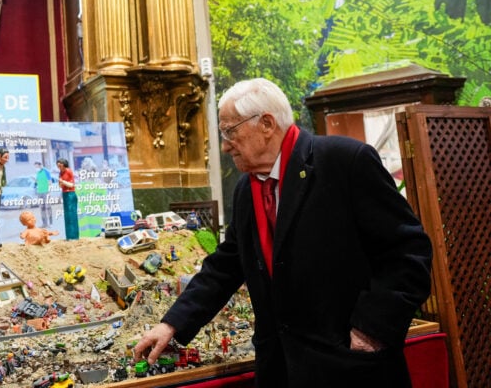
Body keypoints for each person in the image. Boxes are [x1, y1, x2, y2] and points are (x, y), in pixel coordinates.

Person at [133, 78, 433, 388]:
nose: (224, 145)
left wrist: (371, 331)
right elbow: (225, 266)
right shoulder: (246, 191)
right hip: (281, 371)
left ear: (266, 124)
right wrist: (171, 324)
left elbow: (408, 252)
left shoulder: (344, 162)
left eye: (230, 132)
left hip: (348, 368)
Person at [57, 158, 79, 240]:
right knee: (67, 216)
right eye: (58, 165)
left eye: (60, 164)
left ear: (64, 164)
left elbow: (72, 185)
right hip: (65, 194)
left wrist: (63, 182)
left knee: (72, 215)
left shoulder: (69, 171)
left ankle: (74, 236)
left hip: (70, 194)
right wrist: (60, 182)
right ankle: (69, 236)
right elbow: (60, 186)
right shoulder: (60, 173)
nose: (59, 166)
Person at [34, 161, 54, 227]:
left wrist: (48, 189)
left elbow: (50, 182)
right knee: (42, 208)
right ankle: (44, 223)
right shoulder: (37, 173)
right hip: (39, 192)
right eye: (35, 167)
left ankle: (50, 223)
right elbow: (37, 181)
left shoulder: (46, 171)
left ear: (40, 165)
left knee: (48, 207)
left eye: (37, 166)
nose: (36, 168)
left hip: (46, 192)